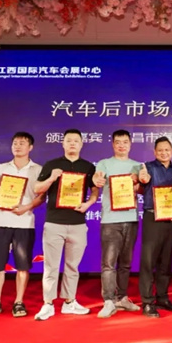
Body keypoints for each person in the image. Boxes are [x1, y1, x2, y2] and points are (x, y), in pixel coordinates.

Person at [0, 132, 45, 318]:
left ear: (30, 147)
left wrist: (26, 207)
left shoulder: (38, 170)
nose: (18, 146)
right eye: (15, 143)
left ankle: (19, 302)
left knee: (22, 266)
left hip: (24, 223)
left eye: (22, 143)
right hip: (0, 221)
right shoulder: (1, 167)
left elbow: (41, 197)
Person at [32, 129, 99, 321]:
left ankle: (70, 302)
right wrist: (52, 178)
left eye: (76, 141)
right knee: (51, 266)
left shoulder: (88, 167)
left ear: (81, 144)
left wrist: (88, 204)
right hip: (54, 222)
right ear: (62, 143)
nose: (72, 143)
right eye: (68, 140)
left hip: (78, 223)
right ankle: (48, 304)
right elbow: (37, 188)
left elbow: (95, 190)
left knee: (72, 266)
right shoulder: (52, 164)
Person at [94, 129, 142, 318]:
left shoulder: (137, 166)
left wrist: (139, 183)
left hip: (131, 219)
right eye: (118, 142)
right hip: (110, 220)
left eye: (125, 142)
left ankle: (122, 298)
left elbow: (141, 189)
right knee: (108, 263)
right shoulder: (104, 164)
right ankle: (108, 300)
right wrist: (97, 180)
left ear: (130, 144)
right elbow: (97, 179)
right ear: (113, 144)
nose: (122, 145)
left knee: (126, 263)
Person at [137, 137, 172, 318]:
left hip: (170, 218)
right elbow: (139, 187)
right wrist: (142, 180)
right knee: (148, 262)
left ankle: (162, 297)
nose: (164, 153)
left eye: (167, 150)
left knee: (166, 261)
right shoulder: (147, 168)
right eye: (160, 150)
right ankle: (147, 302)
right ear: (155, 152)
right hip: (152, 217)